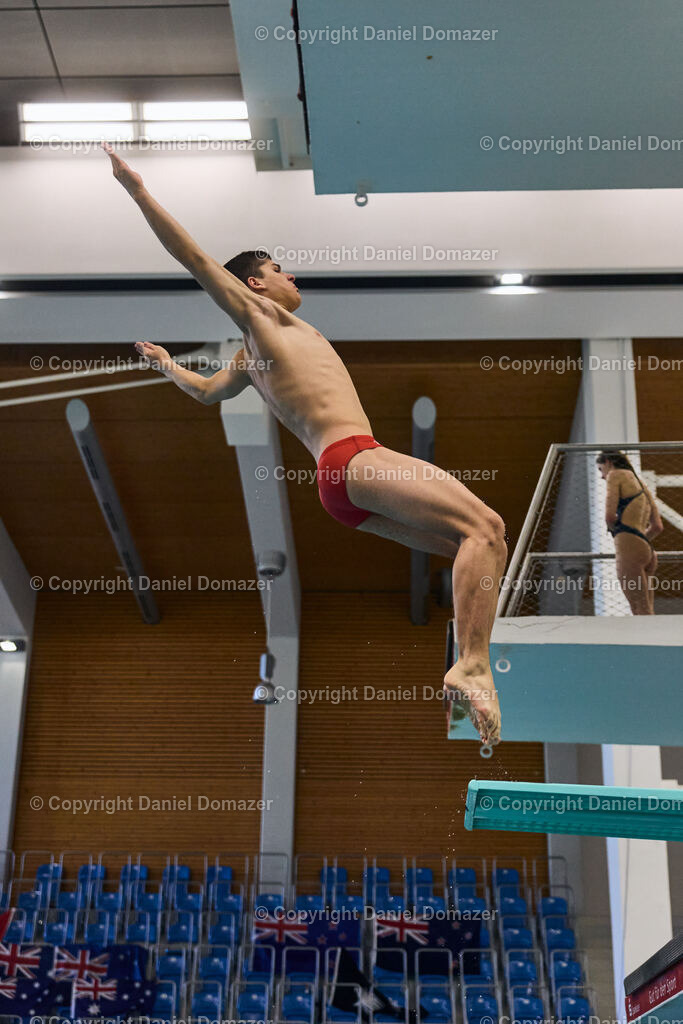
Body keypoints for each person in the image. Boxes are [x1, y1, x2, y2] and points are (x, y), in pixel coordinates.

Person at [103, 145, 507, 745]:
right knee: (488, 527)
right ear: (254, 283)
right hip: (354, 458)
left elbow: (209, 394)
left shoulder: (249, 357)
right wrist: (136, 190)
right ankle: (471, 664)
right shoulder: (259, 319)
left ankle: (466, 662)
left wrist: (167, 366)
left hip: (336, 485)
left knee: (471, 550)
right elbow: (192, 256)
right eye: (281, 269)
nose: (293, 277)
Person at [596, 449, 663, 615]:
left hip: (631, 550)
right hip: (647, 549)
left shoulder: (615, 475)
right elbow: (657, 527)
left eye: (600, 469)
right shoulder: (641, 484)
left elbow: (610, 516)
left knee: (639, 610)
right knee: (647, 611)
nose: (602, 476)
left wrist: (620, 534)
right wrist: (638, 542)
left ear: (609, 463)